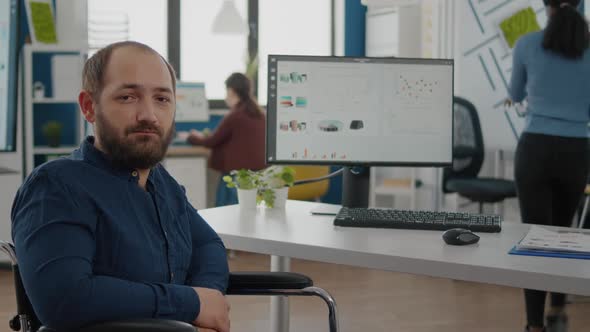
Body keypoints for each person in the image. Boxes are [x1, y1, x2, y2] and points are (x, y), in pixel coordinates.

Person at [11, 41, 230, 332]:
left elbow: (207, 244)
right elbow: (64, 299)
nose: (149, 114)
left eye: (162, 99)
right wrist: (191, 303)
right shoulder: (56, 186)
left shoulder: (162, 183)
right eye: (128, 97)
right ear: (90, 107)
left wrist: (207, 298)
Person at [507, 1, 590, 332]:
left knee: (535, 238)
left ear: (546, 5)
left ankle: (533, 325)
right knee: (562, 233)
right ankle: (557, 311)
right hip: (575, 152)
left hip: (535, 151)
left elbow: (514, 93)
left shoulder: (526, 44)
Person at [187, 73, 266, 206]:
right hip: (256, 175)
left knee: (226, 212)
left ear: (231, 91)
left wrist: (192, 137)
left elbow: (211, 141)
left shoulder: (235, 115)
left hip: (235, 175)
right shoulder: (259, 113)